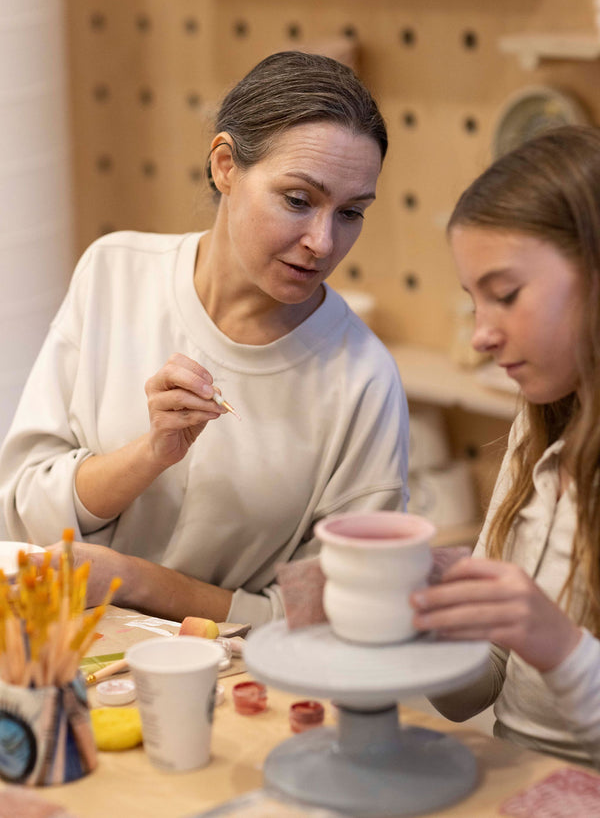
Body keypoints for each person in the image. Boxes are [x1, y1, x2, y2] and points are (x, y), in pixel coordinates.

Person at [0, 50, 409, 627]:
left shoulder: (363, 378)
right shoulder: (115, 272)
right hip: (67, 650)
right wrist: (151, 453)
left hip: (240, 675)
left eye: (351, 213)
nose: (323, 242)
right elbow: (20, 516)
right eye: (298, 200)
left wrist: (135, 580)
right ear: (224, 166)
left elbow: (336, 616)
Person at [411, 125, 600, 768]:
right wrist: (426, 621)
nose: (482, 336)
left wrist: (560, 645)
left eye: (506, 295)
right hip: (519, 784)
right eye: (474, 302)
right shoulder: (539, 422)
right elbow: (479, 690)